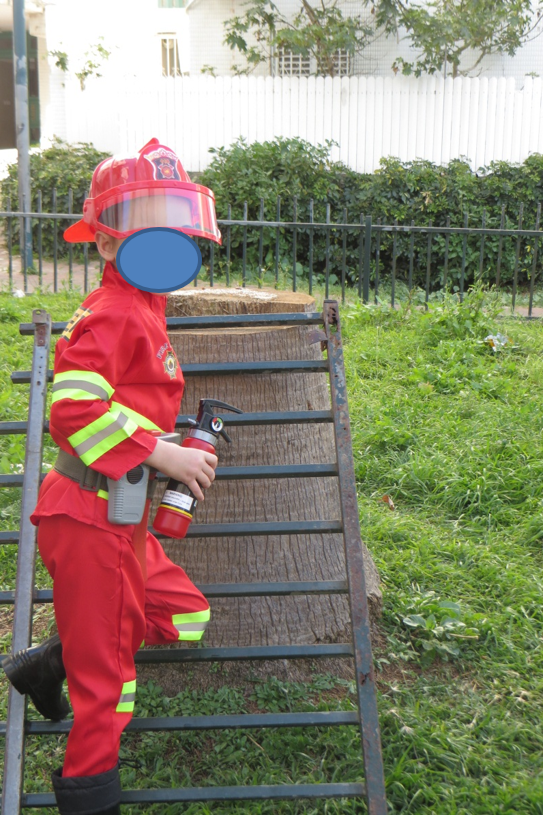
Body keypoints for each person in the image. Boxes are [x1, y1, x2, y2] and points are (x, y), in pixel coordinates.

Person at [2, 138, 222, 815]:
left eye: (172, 221)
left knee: (185, 615)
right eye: (144, 222)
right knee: (109, 686)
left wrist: (161, 444)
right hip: (89, 517)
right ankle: (89, 792)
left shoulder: (144, 303)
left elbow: (120, 402)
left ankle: (52, 659)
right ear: (104, 241)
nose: (165, 237)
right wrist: (163, 455)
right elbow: (72, 409)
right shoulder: (117, 308)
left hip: (118, 517)